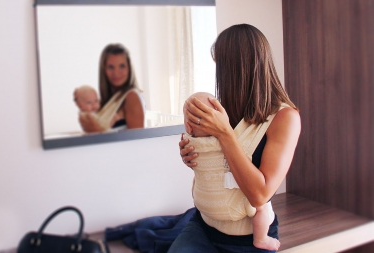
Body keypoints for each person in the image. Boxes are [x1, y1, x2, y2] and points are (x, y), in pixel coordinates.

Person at [171, 24, 301, 253]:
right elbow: (217, 165)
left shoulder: (285, 118)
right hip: (205, 225)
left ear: (239, 67)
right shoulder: (222, 108)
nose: (219, 74)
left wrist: (224, 133)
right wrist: (193, 156)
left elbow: (260, 194)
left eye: (221, 65)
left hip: (248, 237)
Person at [183, 92, 279, 251]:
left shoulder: (189, 142)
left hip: (203, 203)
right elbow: (260, 198)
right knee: (261, 207)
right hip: (211, 221)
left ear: (188, 126)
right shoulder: (233, 142)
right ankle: (261, 238)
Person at [79, 43, 145, 132]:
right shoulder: (106, 102)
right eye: (110, 67)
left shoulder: (131, 97)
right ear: (104, 69)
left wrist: (94, 129)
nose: (116, 73)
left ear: (129, 68)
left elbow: (138, 142)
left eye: (122, 66)